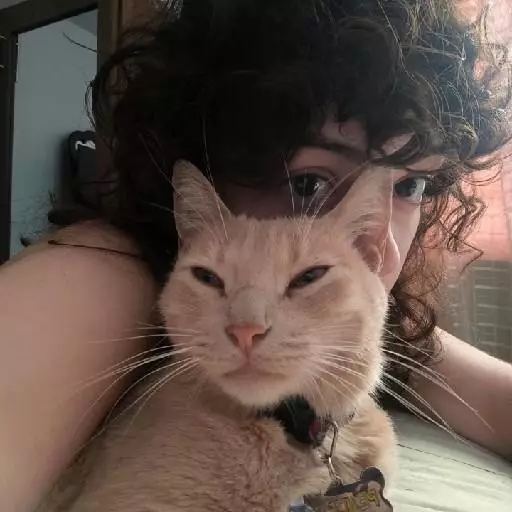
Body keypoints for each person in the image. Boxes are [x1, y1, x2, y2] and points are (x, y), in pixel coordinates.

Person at [1, 0, 512, 510]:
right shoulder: (105, 272)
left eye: (411, 186)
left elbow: (492, 400)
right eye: (309, 183)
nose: (385, 245)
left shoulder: (368, 315)